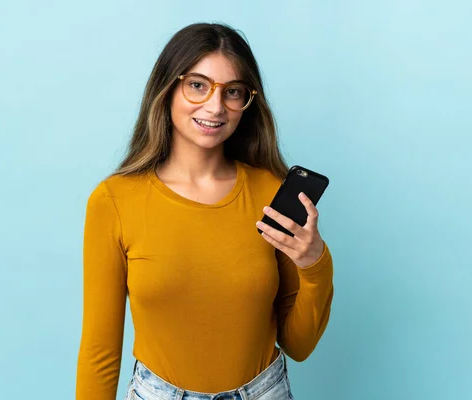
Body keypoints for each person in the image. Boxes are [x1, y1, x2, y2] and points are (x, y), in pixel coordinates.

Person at [76, 22, 334, 400]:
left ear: (247, 102)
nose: (215, 106)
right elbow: (100, 349)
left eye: (233, 92)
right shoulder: (114, 200)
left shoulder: (270, 191)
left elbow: (299, 345)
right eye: (197, 85)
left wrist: (315, 262)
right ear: (167, 89)